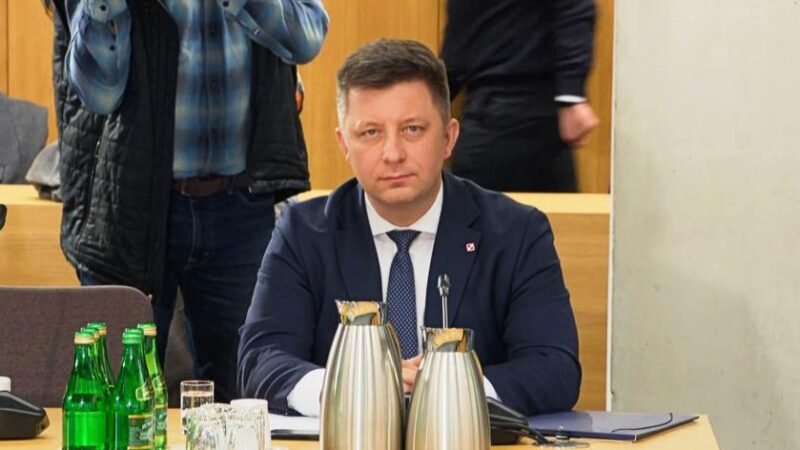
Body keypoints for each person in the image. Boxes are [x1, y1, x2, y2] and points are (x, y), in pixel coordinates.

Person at [238, 39, 581, 416]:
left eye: (412, 129)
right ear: (344, 144)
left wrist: (452, 387)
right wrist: (349, 388)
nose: (393, 154)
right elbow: (260, 361)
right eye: (370, 133)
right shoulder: (303, 232)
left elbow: (555, 369)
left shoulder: (516, 233)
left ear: (448, 138)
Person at [44, 0, 329, 402]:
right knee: (124, 399)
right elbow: (98, 95)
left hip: (241, 207)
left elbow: (307, 39)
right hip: (130, 206)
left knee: (245, 395)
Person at [441, 0, 599, 192]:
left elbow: (457, 51)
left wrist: (571, 96)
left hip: (496, 115)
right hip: (528, 114)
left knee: (471, 204)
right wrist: (571, 95)